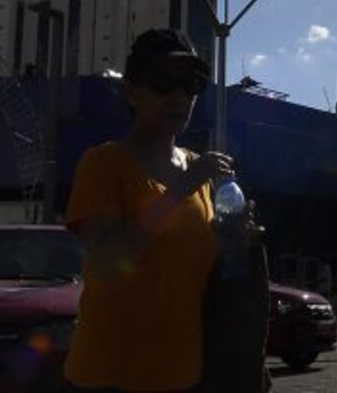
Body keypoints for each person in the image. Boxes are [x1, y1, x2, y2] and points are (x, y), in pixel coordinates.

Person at [63, 28, 234, 393]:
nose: (179, 96)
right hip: (113, 377)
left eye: (191, 83)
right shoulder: (104, 163)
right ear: (131, 91)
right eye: (163, 82)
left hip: (184, 375)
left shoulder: (196, 168)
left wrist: (238, 237)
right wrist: (179, 191)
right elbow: (110, 262)